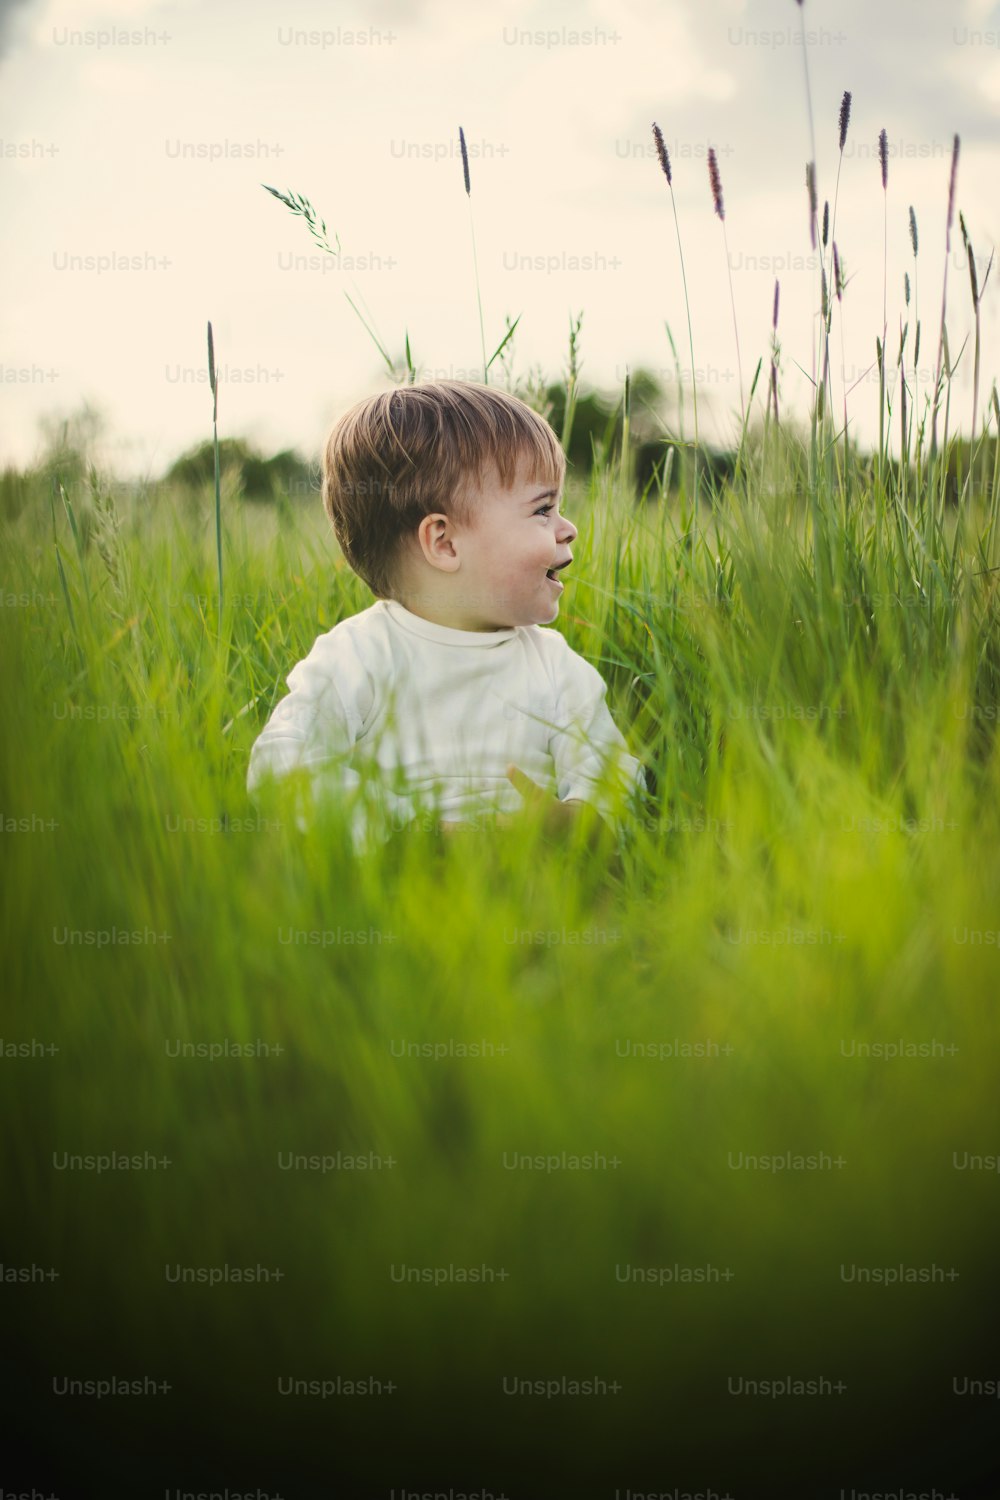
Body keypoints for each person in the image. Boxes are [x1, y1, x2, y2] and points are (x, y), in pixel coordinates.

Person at [246, 380, 647, 852]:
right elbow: (280, 766)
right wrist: (410, 833)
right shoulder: (359, 656)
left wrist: (580, 822)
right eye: (543, 510)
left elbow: (615, 778)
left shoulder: (554, 668)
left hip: (531, 895)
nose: (569, 528)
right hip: (396, 888)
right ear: (444, 543)